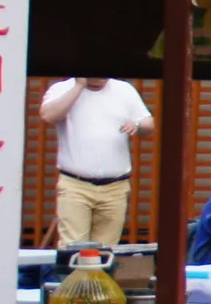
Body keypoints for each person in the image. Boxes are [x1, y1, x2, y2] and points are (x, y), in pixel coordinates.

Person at [40, 76, 154, 247]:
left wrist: (137, 125)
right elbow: (48, 116)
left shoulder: (124, 89)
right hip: (75, 184)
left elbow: (149, 123)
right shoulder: (63, 88)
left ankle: (99, 274)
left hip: (115, 186)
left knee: (107, 250)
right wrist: (78, 87)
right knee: (73, 248)